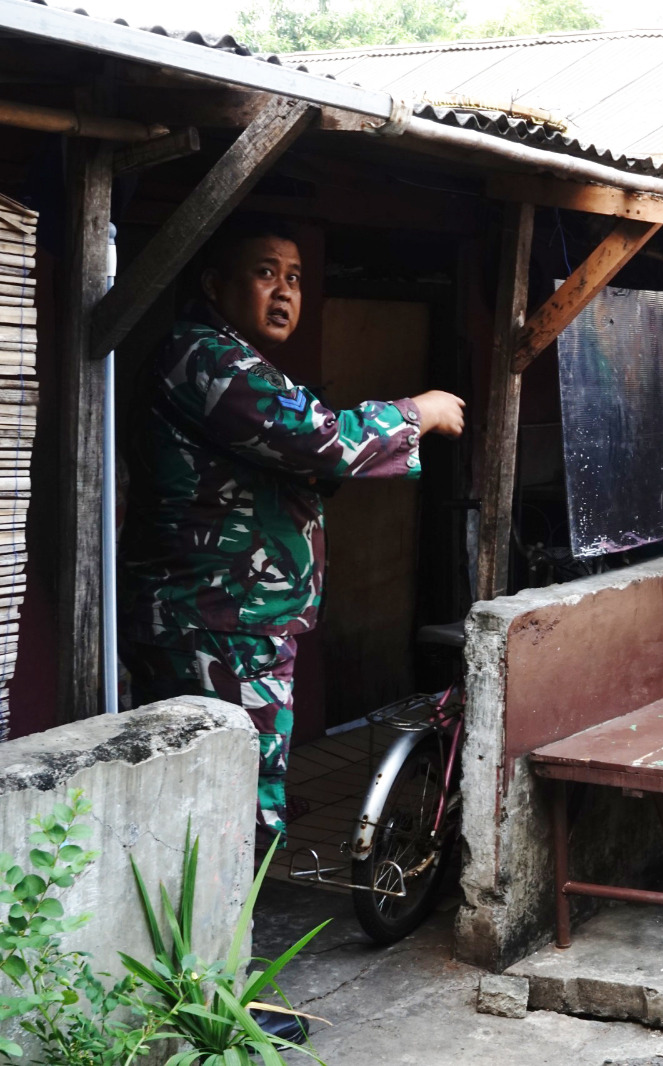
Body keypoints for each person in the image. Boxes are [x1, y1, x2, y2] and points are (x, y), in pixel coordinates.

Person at [119, 215, 465, 850]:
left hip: (229, 617)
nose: (284, 291)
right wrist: (418, 412)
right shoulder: (206, 356)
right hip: (216, 622)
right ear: (215, 284)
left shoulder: (235, 360)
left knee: (218, 789)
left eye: (296, 278)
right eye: (265, 273)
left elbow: (300, 461)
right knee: (228, 806)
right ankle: (222, 946)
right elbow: (323, 442)